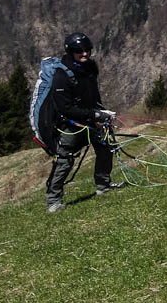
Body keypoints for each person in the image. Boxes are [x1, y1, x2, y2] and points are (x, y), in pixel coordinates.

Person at [45, 31, 121, 213]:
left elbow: (93, 94)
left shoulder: (90, 68)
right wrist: (95, 115)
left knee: (106, 147)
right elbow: (65, 109)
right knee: (65, 160)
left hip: (92, 119)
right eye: (79, 51)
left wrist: (101, 112)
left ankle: (103, 185)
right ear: (70, 51)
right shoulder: (61, 76)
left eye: (87, 49)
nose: (85, 53)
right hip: (71, 125)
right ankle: (53, 201)